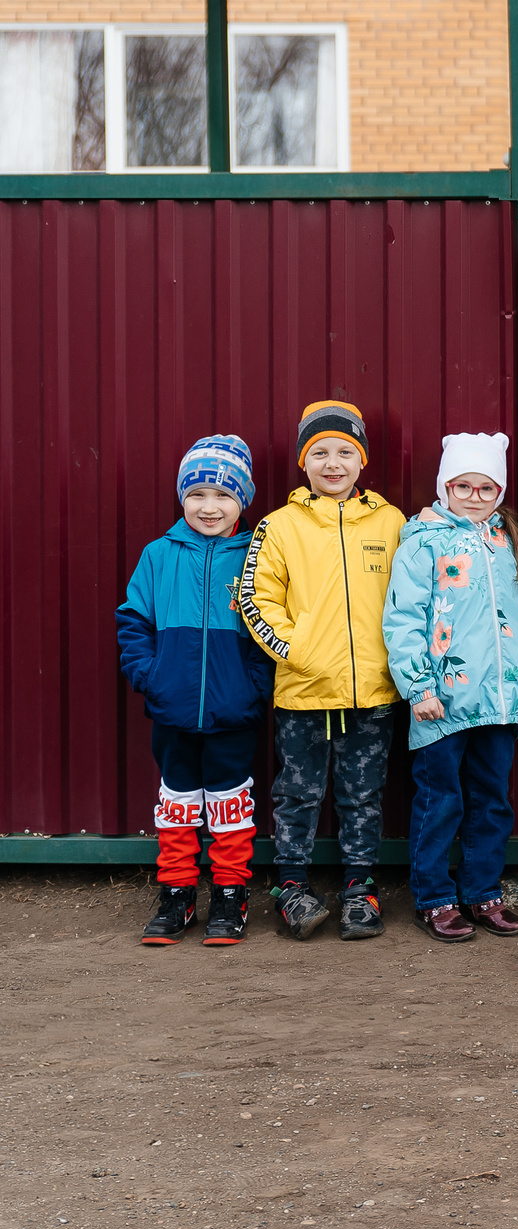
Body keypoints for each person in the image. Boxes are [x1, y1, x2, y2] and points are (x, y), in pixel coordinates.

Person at [237, 401, 406, 941]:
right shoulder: (279, 525)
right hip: (303, 692)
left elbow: (413, 597)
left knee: (362, 794)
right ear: (303, 462)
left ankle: (361, 887)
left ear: (361, 461)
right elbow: (255, 599)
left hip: (373, 692)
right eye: (320, 453)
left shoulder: (391, 521)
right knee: (298, 792)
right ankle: (291, 886)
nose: (333, 464)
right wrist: (298, 652)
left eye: (345, 452)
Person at [383, 433, 518, 943]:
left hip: (501, 699)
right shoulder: (423, 542)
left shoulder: (506, 541)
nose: (474, 496)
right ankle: (433, 897)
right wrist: (418, 687)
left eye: (486, 488)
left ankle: (482, 891)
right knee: (440, 799)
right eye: (463, 486)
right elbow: (403, 619)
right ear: (445, 486)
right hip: (443, 700)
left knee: (492, 798)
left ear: (499, 491)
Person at [119, 435, 267, 947]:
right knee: (177, 800)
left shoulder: (255, 555)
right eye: (198, 494)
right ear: (182, 497)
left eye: (224, 496)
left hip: (235, 711)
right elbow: (134, 621)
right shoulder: (159, 555)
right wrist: (149, 674)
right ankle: (177, 893)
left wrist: (255, 686)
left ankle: (230, 893)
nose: (210, 507)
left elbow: (272, 627)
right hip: (173, 708)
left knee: (230, 803)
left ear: (242, 501)